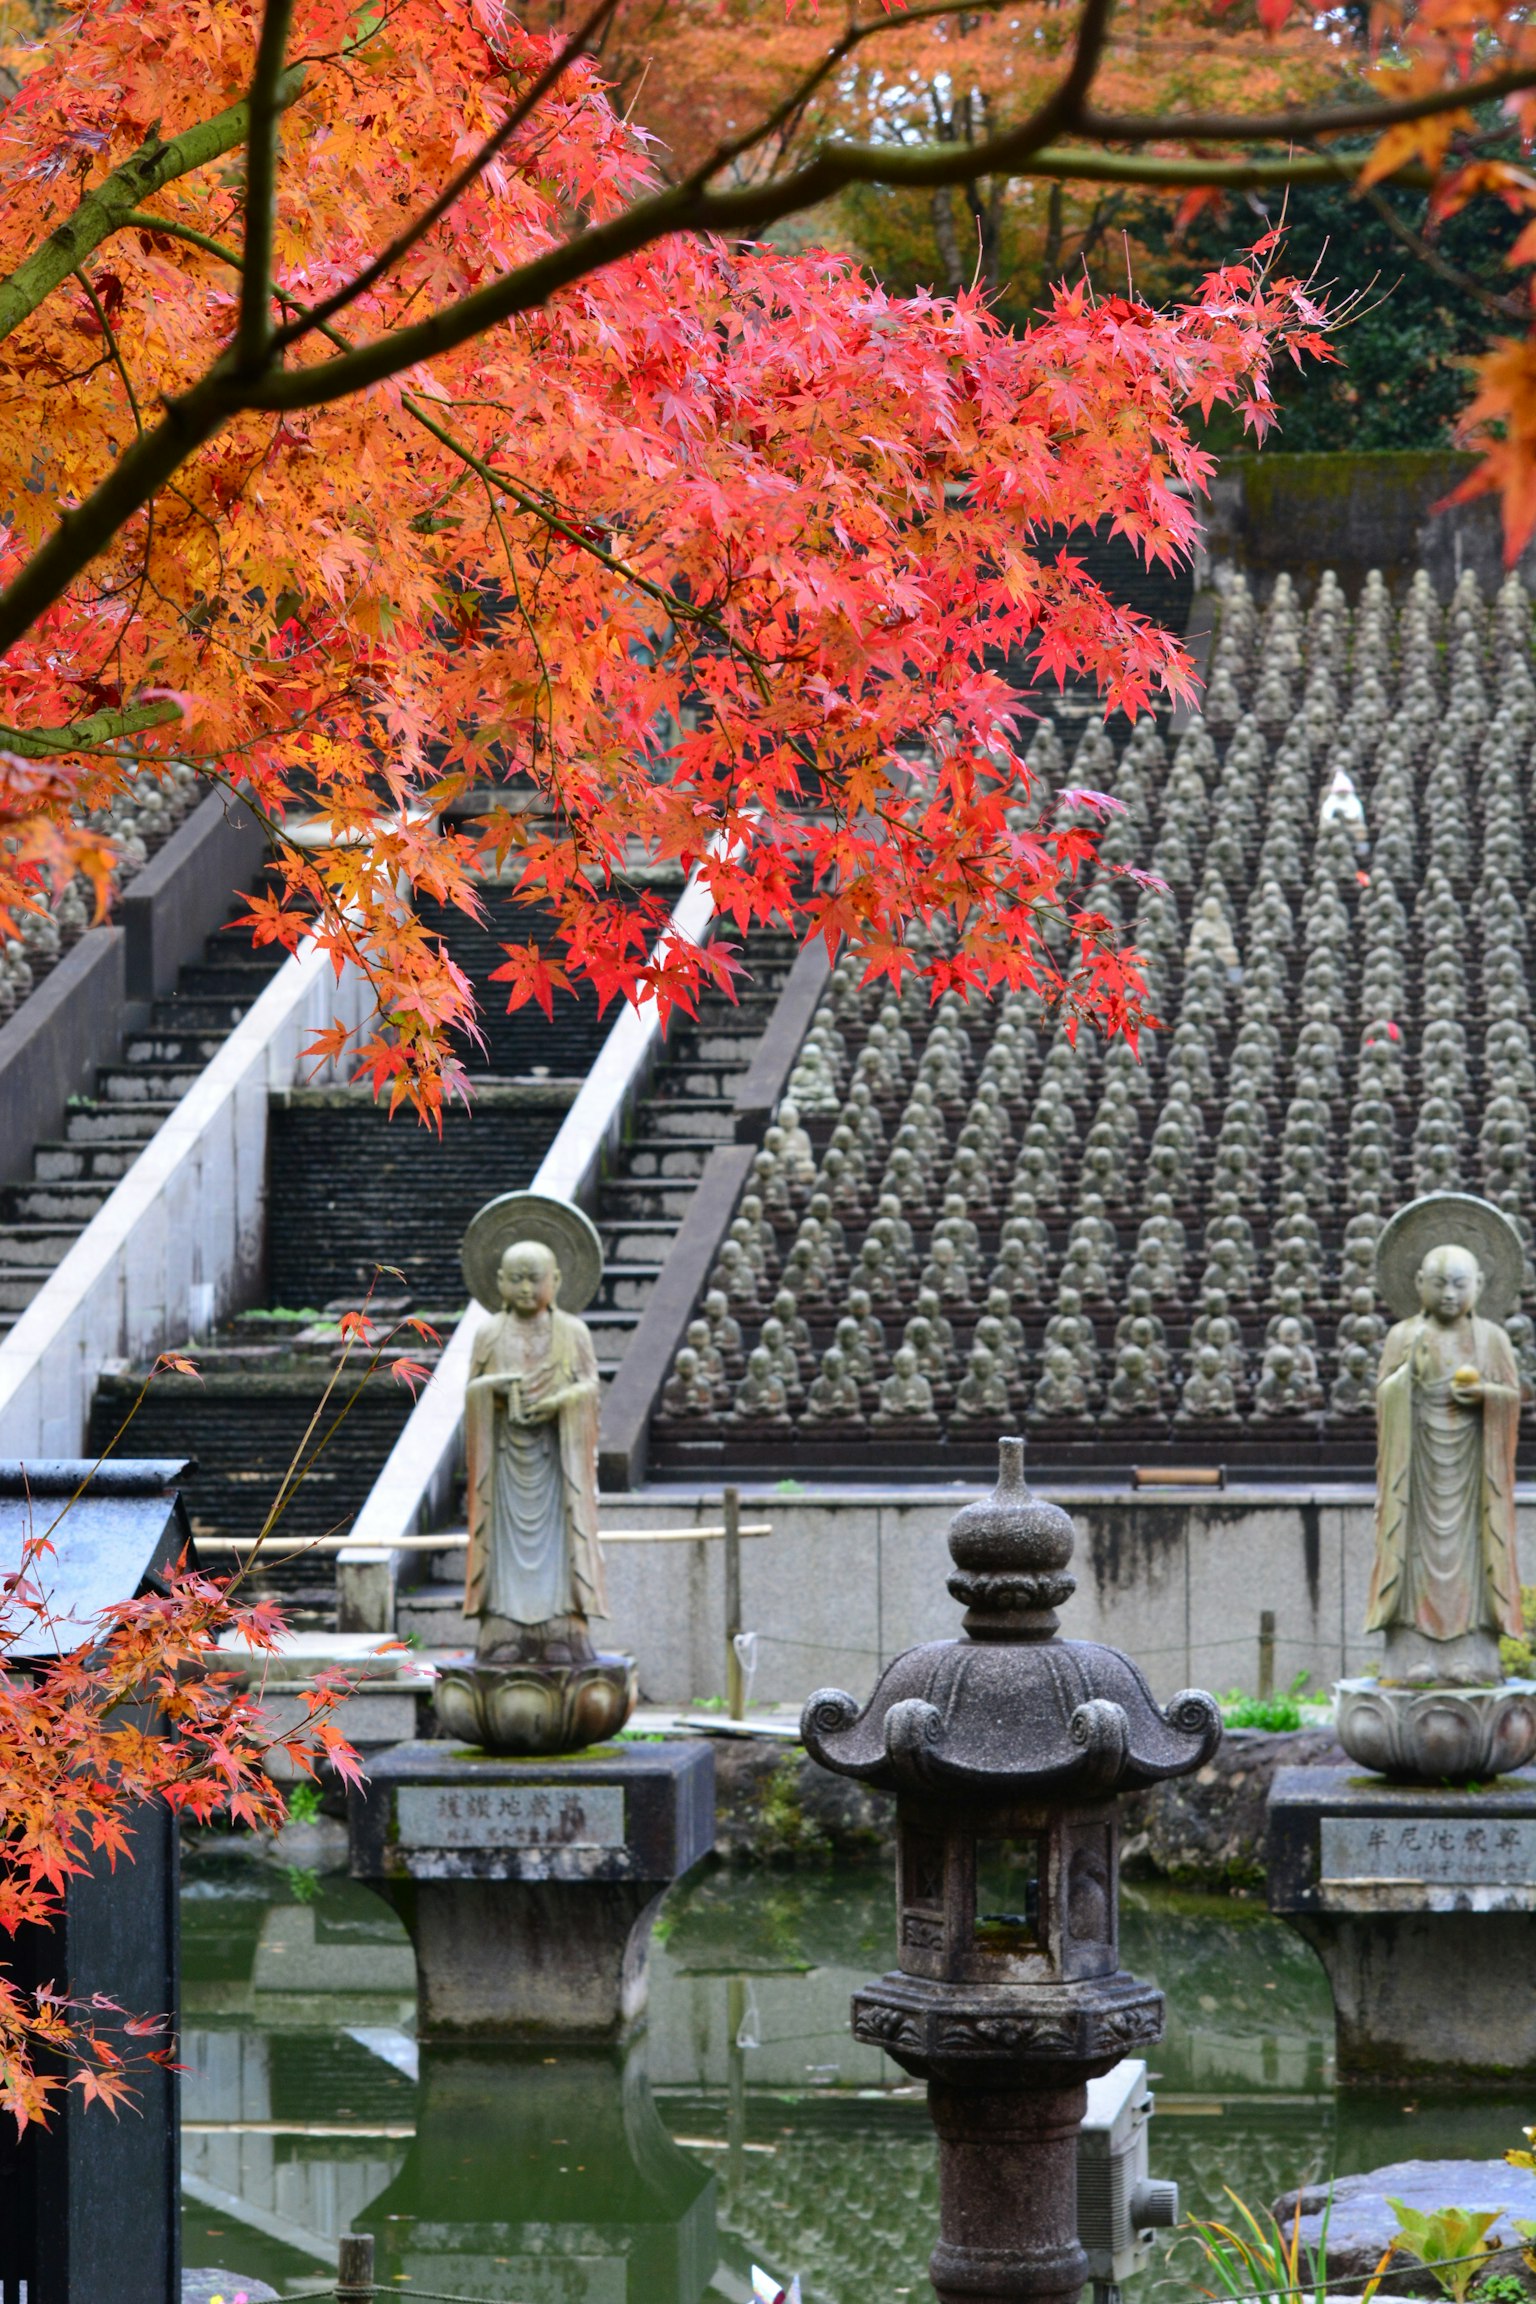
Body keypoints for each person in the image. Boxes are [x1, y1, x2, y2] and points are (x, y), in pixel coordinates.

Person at [1367, 1240, 1522, 1684]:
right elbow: (1383, 1396)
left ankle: (1469, 1657)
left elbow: (1511, 1398)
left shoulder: (1491, 1339)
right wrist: (1406, 1379)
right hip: (1415, 1472)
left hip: (1474, 1472)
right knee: (1414, 1557)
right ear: (1418, 1283)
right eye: (1438, 1284)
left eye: (1459, 1284)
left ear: (1480, 1285)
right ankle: (1412, 1655)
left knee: (1472, 1559)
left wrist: (1487, 1397)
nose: (1449, 1294)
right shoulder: (1403, 1336)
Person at [464, 1238, 604, 1668]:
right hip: (505, 1461)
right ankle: (504, 1632)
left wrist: (562, 1402)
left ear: (557, 1281)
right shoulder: (489, 1332)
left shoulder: (573, 1332)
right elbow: (472, 1390)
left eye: (535, 1278)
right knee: (503, 1549)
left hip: (557, 1460)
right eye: (517, 1279)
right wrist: (494, 1389)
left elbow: (590, 1387)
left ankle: (560, 1630)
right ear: (500, 1282)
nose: (526, 1288)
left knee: (562, 1542)